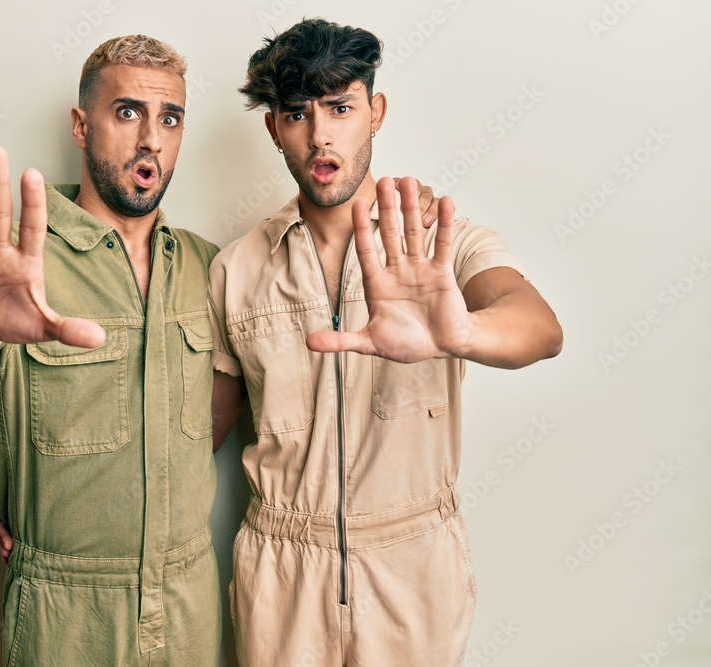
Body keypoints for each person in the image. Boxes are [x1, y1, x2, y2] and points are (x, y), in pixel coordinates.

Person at [206, 18, 563, 666]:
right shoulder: (236, 269)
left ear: (375, 111)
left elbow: (539, 327)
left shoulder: (437, 240)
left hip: (414, 566)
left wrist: (462, 332)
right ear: (273, 128)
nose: (320, 134)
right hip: (281, 573)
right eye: (297, 113)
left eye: (340, 107)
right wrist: (47, 503)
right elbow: (195, 436)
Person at [0, 35, 234, 666]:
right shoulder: (14, 254)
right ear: (82, 126)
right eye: (128, 112)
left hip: (187, 603)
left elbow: (203, 425)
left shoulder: (207, 266)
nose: (152, 140)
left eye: (170, 118)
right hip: (64, 614)